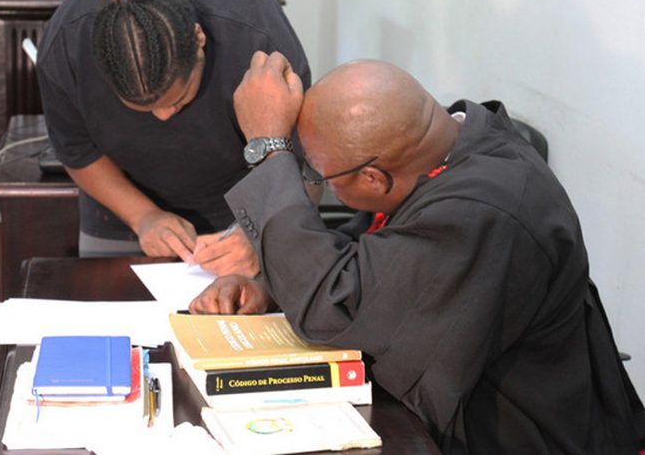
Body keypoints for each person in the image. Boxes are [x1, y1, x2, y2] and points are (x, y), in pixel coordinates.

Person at [189, 53, 645, 453]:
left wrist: (269, 149)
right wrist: (269, 283)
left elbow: (335, 310)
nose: (319, 183)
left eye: (320, 176)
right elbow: (376, 256)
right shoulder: (448, 149)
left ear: (373, 179)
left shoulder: (482, 211)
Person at [36, 0, 310, 275]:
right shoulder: (69, 41)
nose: (164, 116)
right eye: (141, 108)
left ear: (198, 38)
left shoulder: (254, 31)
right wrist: (143, 216)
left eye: (177, 100)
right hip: (120, 206)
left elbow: (306, 163)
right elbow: (77, 150)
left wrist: (262, 231)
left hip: (244, 205)